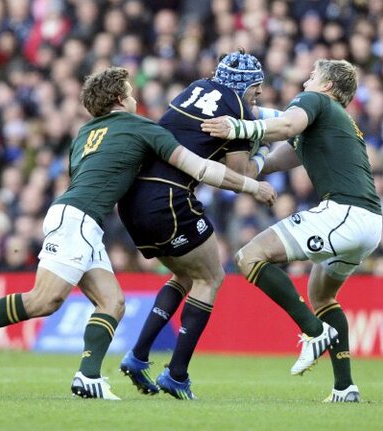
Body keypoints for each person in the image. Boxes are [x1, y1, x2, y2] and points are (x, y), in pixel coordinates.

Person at [0, 66, 276, 400]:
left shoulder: (84, 133)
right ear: (119, 99)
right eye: (130, 93)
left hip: (75, 216)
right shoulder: (141, 127)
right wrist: (253, 186)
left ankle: (88, 377)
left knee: (112, 302)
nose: (135, 98)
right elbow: (199, 168)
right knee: (44, 300)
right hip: (78, 220)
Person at [201, 59, 383, 403]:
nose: (304, 82)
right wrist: (251, 164)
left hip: (344, 213)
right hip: (368, 223)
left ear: (327, 86)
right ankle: (345, 388)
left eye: (313, 76)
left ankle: (313, 332)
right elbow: (278, 156)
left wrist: (237, 128)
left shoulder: (316, 102)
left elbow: (284, 125)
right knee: (322, 297)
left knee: (249, 256)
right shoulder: (328, 121)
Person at [117, 49, 272, 400]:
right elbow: (240, 174)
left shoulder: (195, 88)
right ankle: (176, 374)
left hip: (133, 201)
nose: (260, 92)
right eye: (256, 85)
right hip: (168, 200)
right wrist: (262, 149)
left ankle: (138, 356)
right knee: (211, 277)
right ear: (244, 85)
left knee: (186, 275)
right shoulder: (238, 107)